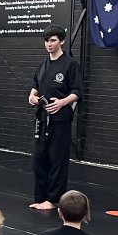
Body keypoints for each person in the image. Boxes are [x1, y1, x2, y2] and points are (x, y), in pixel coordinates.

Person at [28, 25, 83, 210]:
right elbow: (36, 86)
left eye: (52, 40)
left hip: (60, 120)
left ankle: (53, 200)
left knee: (57, 159)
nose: (49, 44)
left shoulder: (70, 64)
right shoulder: (42, 65)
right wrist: (32, 96)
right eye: (46, 41)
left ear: (62, 41)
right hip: (42, 118)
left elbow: (77, 92)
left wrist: (62, 102)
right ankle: (40, 197)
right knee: (39, 159)